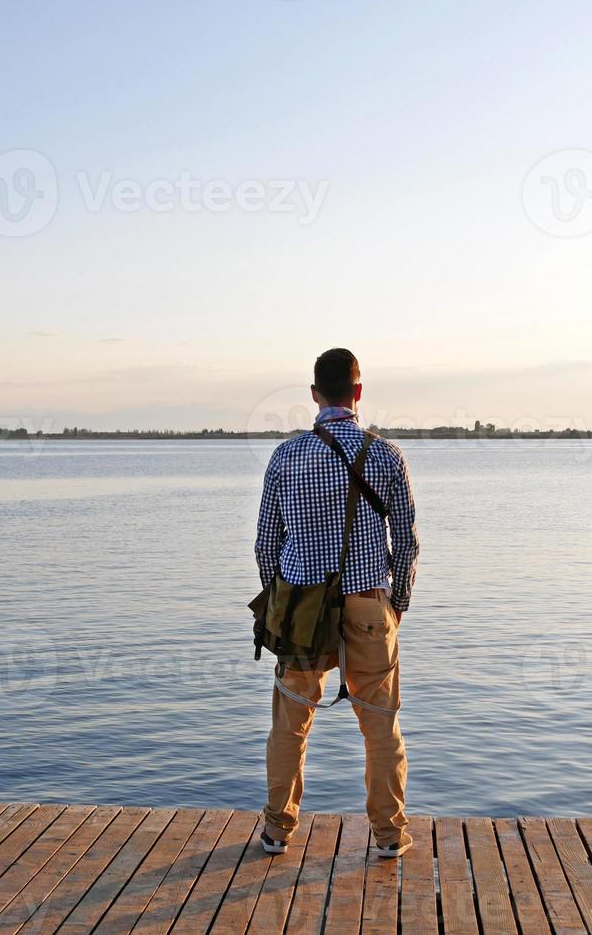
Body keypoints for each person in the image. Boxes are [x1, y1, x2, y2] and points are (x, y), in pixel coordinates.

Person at [254, 348, 419, 857]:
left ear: (313, 394)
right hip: (369, 605)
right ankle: (389, 837)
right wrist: (398, 605)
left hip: (302, 609)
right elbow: (408, 542)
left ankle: (278, 831)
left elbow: (265, 545)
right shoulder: (386, 454)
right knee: (380, 726)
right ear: (358, 391)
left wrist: (280, 601)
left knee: (290, 723)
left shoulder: (286, 456)